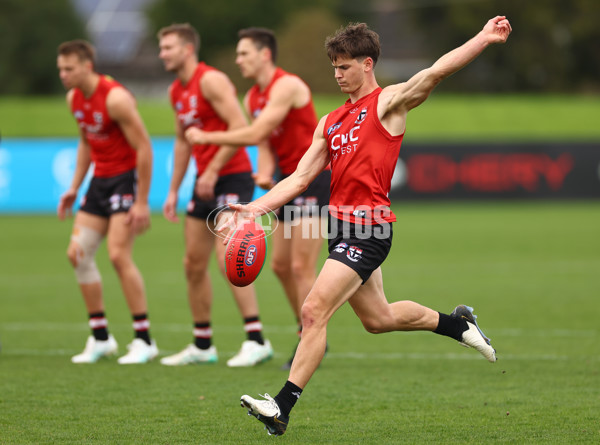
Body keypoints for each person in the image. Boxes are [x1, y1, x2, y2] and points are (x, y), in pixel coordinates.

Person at [221, 16, 512, 435]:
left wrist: (483, 38)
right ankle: (458, 323)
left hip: (370, 228)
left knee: (313, 310)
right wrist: (254, 208)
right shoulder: (331, 122)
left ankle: (281, 406)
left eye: (345, 66)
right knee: (378, 318)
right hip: (338, 228)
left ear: (368, 64)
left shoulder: (388, 103)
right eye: (334, 67)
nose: (338, 74)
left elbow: (436, 71)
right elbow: (300, 178)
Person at [184, 27, 330, 369]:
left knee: (300, 265)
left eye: (244, 53)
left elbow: (257, 132)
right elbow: (265, 145)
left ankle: (312, 340)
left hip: (315, 182)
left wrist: (206, 136)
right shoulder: (252, 98)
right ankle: (305, 330)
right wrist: (265, 174)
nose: (238, 60)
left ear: (265, 54)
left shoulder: (287, 86)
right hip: (286, 183)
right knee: (279, 266)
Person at [156, 23, 273, 367]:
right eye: (161, 48)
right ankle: (203, 344)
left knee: (229, 255)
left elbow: (240, 128)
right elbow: (182, 142)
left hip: (232, 177)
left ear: (188, 49)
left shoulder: (210, 80)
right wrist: (174, 188)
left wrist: (211, 169)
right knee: (192, 264)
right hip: (203, 183)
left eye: (168, 47)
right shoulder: (175, 91)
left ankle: (256, 340)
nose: (162, 53)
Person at [56, 40, 158, 364]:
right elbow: (86, 141)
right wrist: (74, 186)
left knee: (117, 255)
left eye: (69, 68)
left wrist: (141, 201)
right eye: (60, 69)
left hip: (125, 180)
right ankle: (101, 337)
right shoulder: (74, 98)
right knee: (77, 254)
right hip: (99, 182)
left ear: (87, 66)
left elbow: (144, 147)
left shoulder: (115, 98)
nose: (63, 74)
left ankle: (144, 339)